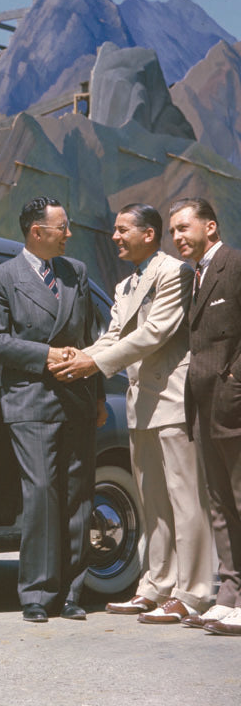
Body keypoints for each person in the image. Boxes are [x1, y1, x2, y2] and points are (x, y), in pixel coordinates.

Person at [49, 203, 213, 623]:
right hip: (142, 403)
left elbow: (154, 333)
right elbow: (114, 335)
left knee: (185, 499)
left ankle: (192, 592)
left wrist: (93, 365)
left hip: (173, 400)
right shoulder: (125, 286)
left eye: (124, 230)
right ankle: (155, 586)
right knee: (152, 500)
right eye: (115, 231)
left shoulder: (173, 273)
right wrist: (77, 356)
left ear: (148, 235)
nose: (116, 237)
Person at [0, 196, 105, 622]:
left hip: (79, 400)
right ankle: (36, 592)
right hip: (31, 400)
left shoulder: (76, 274)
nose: (69, 235)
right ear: (37, 231)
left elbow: (94, 336)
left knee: (77, 497)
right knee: (41, 494)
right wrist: (47, 355)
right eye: (62, 227)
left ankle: (70, 592)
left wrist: (99, 394)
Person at [167, 196, 241, 635]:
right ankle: (229, 594)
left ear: (210, 227)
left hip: (233, 404)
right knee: (219, 504)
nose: (177, 236)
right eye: (174, 230)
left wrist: (234, 383)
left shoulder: (234, 265)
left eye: (184, 227)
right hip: (203, 405)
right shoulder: (192, 277)